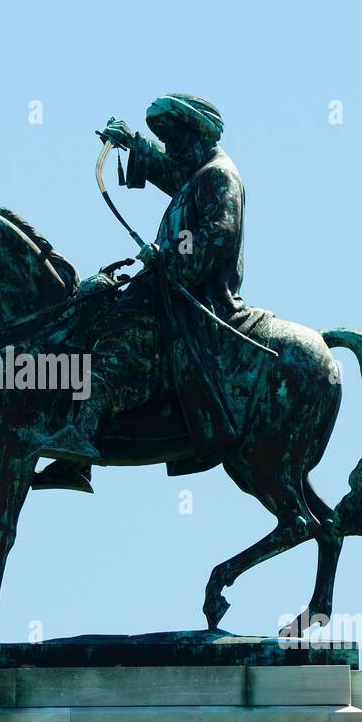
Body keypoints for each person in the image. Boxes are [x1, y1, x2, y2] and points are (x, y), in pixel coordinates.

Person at [36, 94, 251, 492]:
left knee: (121, 341)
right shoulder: (197, 171)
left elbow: (220, 234)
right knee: (93, 308)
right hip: (168, 285)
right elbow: (169, 172)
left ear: (196, 137)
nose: (170, 150)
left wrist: (169, 255)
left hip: (194, 296)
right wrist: (133, 143)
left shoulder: (218, 176)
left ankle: (81, 439)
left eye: (174, 142)